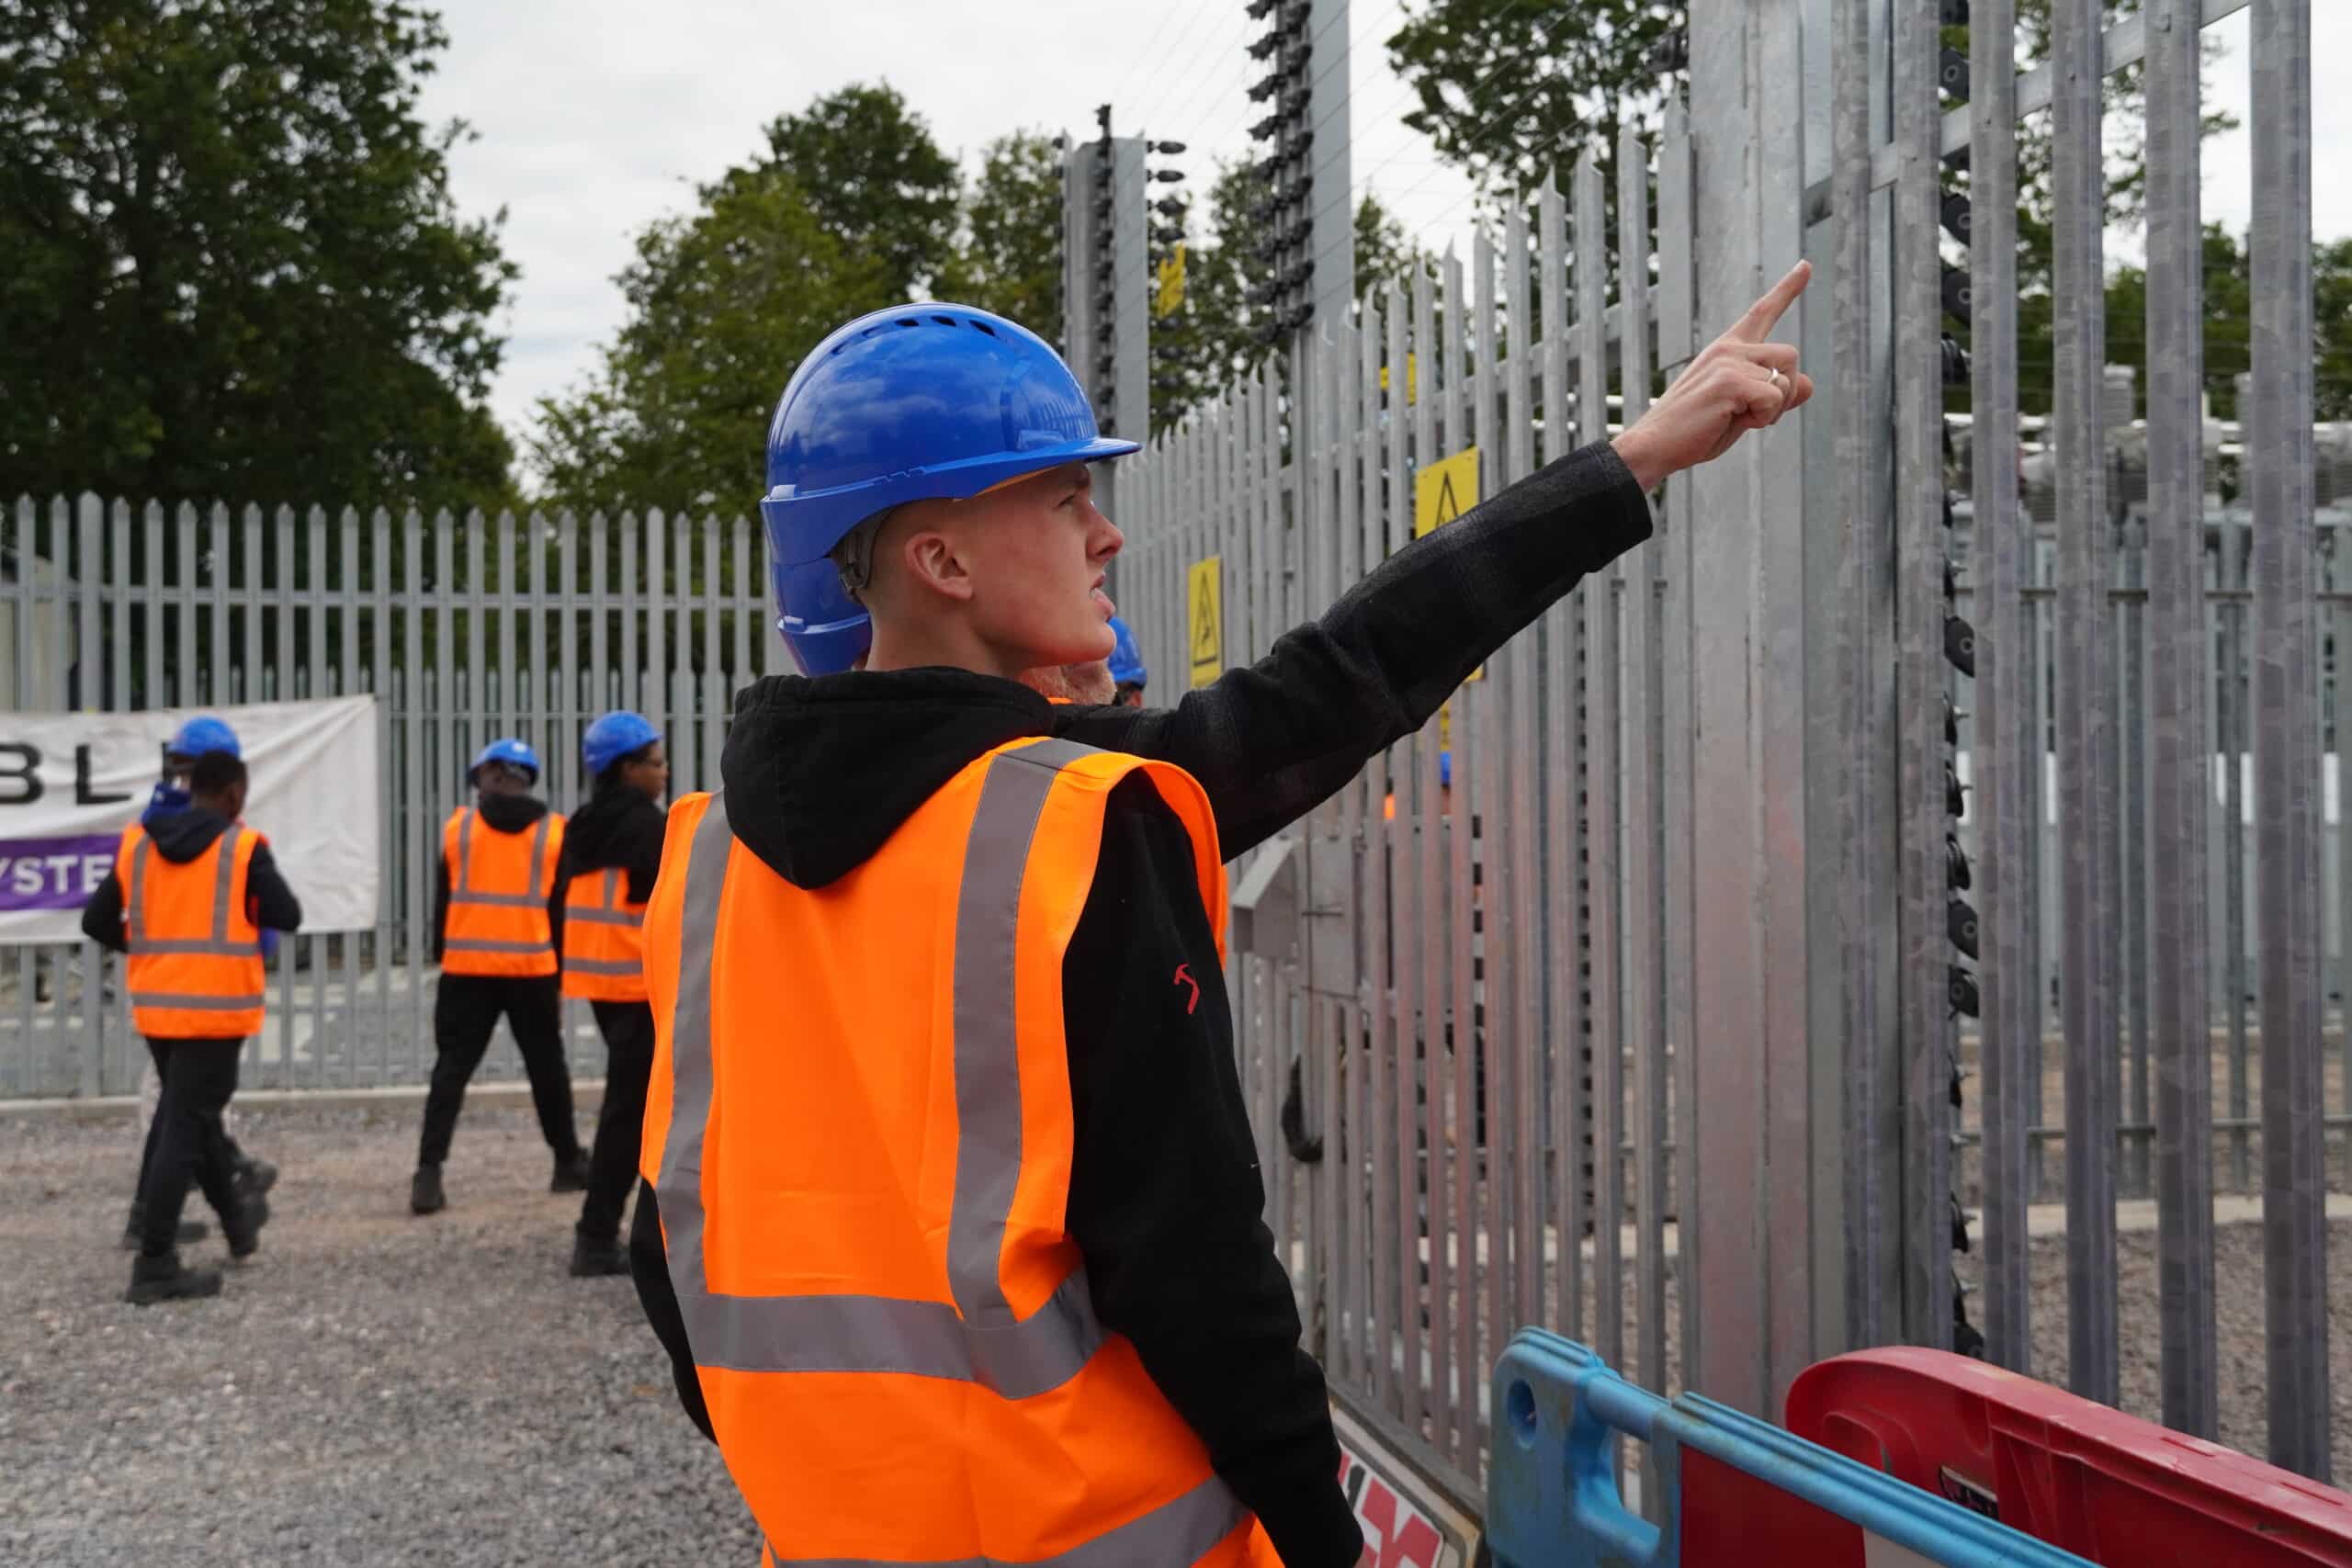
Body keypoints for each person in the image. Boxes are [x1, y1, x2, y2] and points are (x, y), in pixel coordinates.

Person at [632, 277, 1811, 1565]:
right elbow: (1194, 1267)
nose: (1105, 533)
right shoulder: (1072, 825)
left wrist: (1630, 462)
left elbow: (671, 1235)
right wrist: (1321, 1532)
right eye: (1063, 497)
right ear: (944, 561)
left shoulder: (707, 859)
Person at [83, 748, 301, 1303]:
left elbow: (97, 920)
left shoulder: (140, 842)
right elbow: (287, 914)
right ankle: (155, 1262)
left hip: (159, 1009)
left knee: (195, 1122)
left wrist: (152, 950)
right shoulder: (241, 847)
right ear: (233, 793)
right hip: (215, 1012)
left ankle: (236, 1227)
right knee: (184, 1128)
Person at [119, 715, 278, 1250]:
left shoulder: (146, 831)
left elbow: (109, 916)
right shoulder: (230, 837)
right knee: (185, 1116)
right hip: (211, 1001)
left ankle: (230, 1206)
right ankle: (155, 1229)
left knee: (184, 1110)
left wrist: (151, 951)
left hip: (162, 996)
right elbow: (269, 917)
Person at [411, 739, 585, 1215]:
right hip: (532, 969)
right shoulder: (554, 832)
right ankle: (567, 1162)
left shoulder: (459, 829)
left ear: (488, 777)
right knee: (547, 1069)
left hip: (467, 971)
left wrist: (443, 957)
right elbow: (560, 912)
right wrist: (559, 976)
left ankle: (428, 1175)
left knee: (451, 1072)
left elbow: (443, 904)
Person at [556, 711, 669, 1278]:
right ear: (627, 769)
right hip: (644, 989)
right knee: (632, 1114)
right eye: (655, 763)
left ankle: (635, 1232)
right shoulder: (648, 827)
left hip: (602, 985)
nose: (663, 772)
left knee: (638, 1108)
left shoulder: (582, 826)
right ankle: (597, 1236)